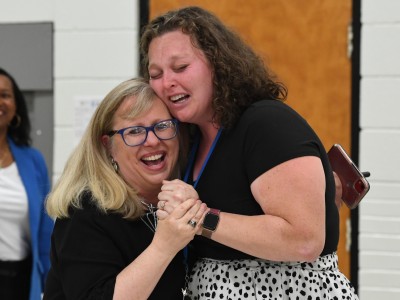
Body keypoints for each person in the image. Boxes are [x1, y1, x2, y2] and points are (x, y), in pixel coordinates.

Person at [140, 6, 359, 299]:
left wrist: (197, 218)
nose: (167, 83)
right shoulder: (190, 135)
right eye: (156, 74)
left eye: (180, 68)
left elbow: (304, 240)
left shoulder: (266, 123)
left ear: (217, 63)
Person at [43, 78, 207, 299]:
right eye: (135, 131)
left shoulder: (176, 200)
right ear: (107, 145)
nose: (152, 140)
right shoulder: (85, 212)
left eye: (162, 126)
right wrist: (163, 247)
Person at [0, 67, 53, 300]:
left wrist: (51, 285)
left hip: (21, 281)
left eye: (5, 95)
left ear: (16, 106)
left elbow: (44, 230)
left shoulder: (33, 160)